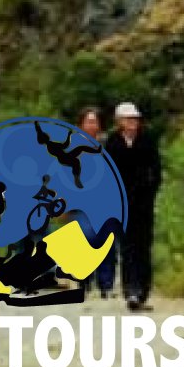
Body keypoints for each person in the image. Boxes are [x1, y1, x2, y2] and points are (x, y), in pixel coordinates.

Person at [109, 101, 162, 311]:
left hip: (143, 201)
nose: (133, 123)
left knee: (143, 246)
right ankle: (130, 289)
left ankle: (142, 291)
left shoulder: (147, 141)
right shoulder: (112, 143)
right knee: (127, 247)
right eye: (129, 119)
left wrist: (151, 190)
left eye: (135, 120)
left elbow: (156, 169)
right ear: (120, 121)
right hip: (121, 202)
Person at [75, 107, 117, 298]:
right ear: (81, 124)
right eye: (88, 121)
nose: (91, 125)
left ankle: (106, 284)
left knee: (106, 241)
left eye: (95, 121)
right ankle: (83, 280)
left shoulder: (108, 145)